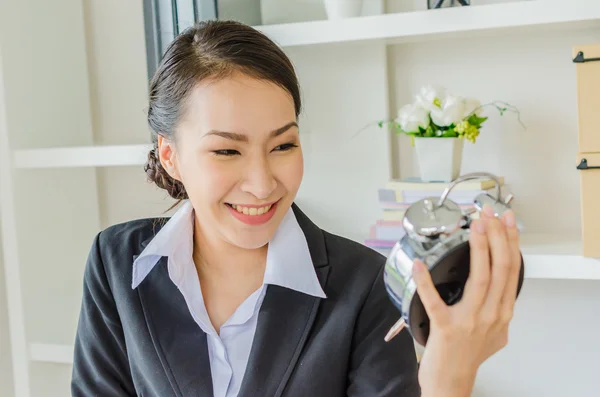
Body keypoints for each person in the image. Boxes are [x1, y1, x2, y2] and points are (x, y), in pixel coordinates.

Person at [71, 20, 522, 397]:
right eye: (227, 151)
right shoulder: (116, 263)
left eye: (283, 144)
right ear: (170, 155)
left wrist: (449, 377)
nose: (263, 183)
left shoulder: (366, 286)